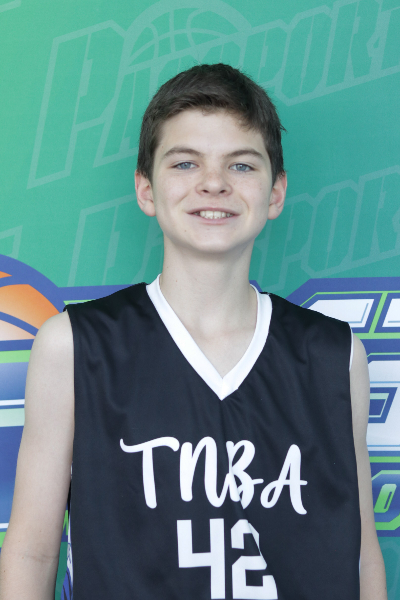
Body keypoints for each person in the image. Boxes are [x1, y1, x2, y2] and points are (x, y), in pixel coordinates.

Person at [0, 63, 387, 600]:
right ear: (146, 189)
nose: (214, 183)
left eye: (242, 165)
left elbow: (360, 551)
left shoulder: (334, 355)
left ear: (276, 192)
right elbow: (32, 551)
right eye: (185, 163)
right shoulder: (73, 345)